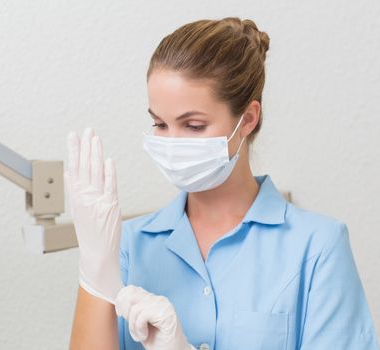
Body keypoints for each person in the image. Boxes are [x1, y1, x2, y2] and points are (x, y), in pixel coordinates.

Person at [66, 17, 380, 350]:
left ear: (247, 119)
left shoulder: (317, 248)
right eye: (159, 123)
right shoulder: (127, 246)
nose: (172, 142)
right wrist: (95, 271)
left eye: (194, 125)